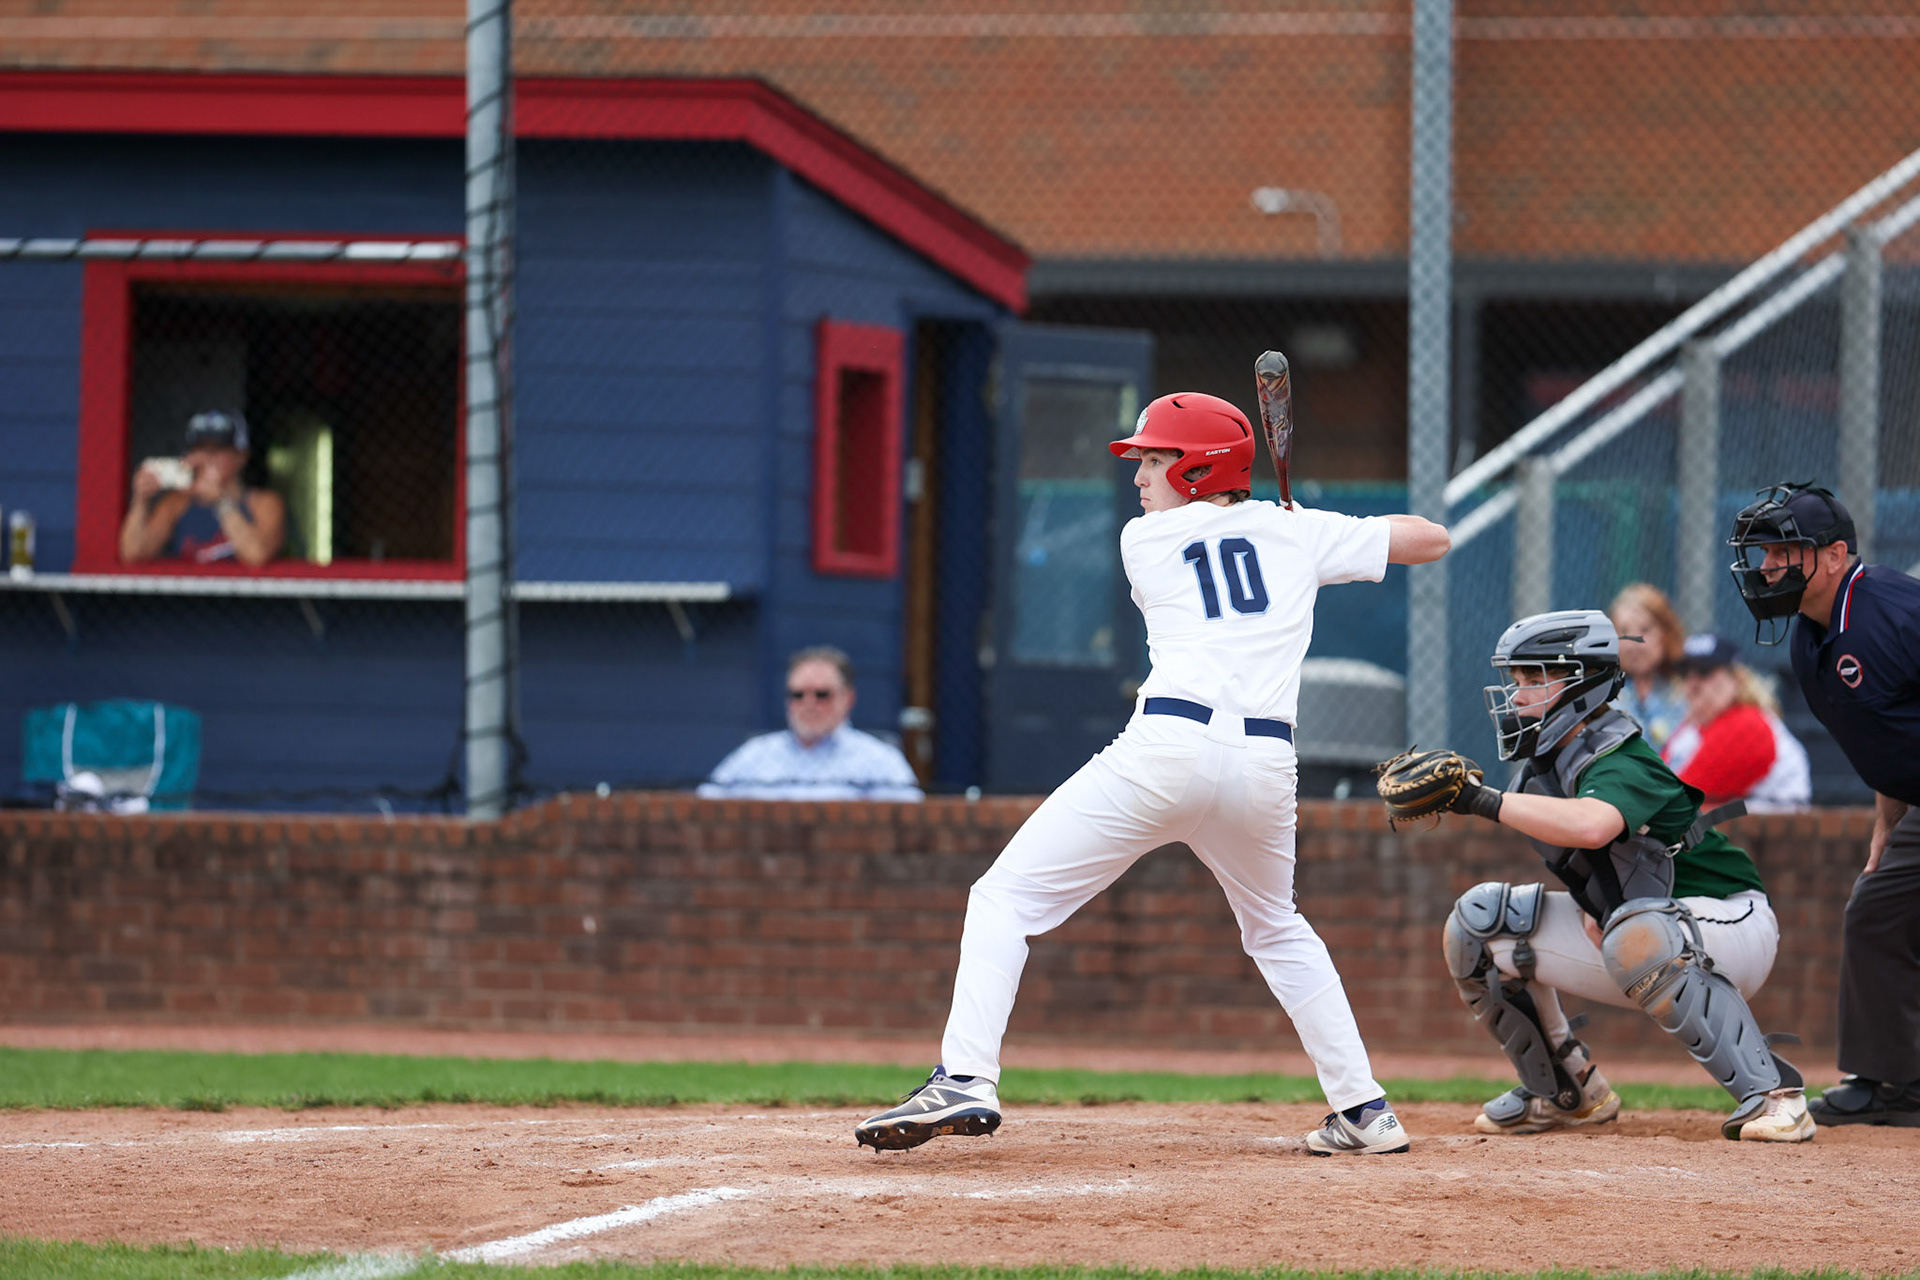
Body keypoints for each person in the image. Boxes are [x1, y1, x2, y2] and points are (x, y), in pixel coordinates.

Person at [853, 391, 1451, 1157]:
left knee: (1005, 897)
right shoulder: (1293, 531)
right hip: (1266, 767)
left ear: (1198, 469)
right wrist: (1305, 529)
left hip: (1168, 749)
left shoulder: (1149, 540)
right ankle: (1365, 1110)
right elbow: (1430, 540)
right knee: (1277, 927)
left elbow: (1231, 543)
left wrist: (1284, 528)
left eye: (1156, 458)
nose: (1139, 475)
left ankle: (967, 1075)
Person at [1420, 608, 1813, 1142]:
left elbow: (1592, 825)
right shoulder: (1546, 769)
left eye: (1535, 678)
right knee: (1480, 923)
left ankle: (1775, 1098)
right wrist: (1589, 906)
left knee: (1638, 932)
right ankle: (1567, 1092)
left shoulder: (1620, 755)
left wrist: (1479, 800)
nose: (1517, 695)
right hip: (1649, 929)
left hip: (1731, 919)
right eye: (1516, 679)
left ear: (1581, 684)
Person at [1728, 481, 1920, 1127]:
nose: (1768, 566)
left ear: (1835, 555)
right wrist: (1884, 829)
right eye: (1764, 553)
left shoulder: (1892, 611)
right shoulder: (1809, 639)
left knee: (1880, 914)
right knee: (1879, 912)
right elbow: (1891, 738)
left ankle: (1892, 1081)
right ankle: (1894, 1082)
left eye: (1785, 551)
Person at [697, 646, 923, 801]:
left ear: (848, 698)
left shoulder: (879, 760)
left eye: (822, 695)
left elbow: (913, 821)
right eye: (798, 695)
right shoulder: (754, 755)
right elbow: (703, 806)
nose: (809, 704)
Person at [1662, 632, 1811, 813]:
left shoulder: (1748, 725)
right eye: (1685, 673)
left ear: (1736, 679)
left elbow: (1679, 799)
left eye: (1704, 671)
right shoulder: (1689, 730)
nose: (1693, 682)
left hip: (1777, 837)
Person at [118, 410, 287, 568]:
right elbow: (133, 554)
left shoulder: (264, 503)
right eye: (200, 448)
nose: (207, 457)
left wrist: (222, 502)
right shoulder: (177, 503)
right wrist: (140, 500)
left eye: (217, 449)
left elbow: (256, 555)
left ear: (242, 456)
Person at [1609, 583, 1689, 750]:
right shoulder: (1604, 695)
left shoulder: (1690, 689)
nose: (1633, 643)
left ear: (1666, 634)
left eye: (1645, 629)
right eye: (1623, 631)